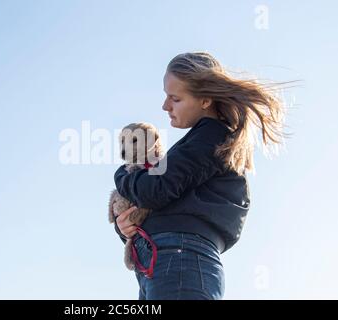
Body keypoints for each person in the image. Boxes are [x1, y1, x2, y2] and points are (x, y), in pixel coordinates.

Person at [113, 52, 288, 300]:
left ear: (205, 99)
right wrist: (126, 227)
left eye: (175, 98)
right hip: (167, 261)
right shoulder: (201, 140)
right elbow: (159, 201)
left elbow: (154, 192)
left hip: (180, 260)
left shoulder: (212, 135)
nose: (165, 106)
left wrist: (123, 173)